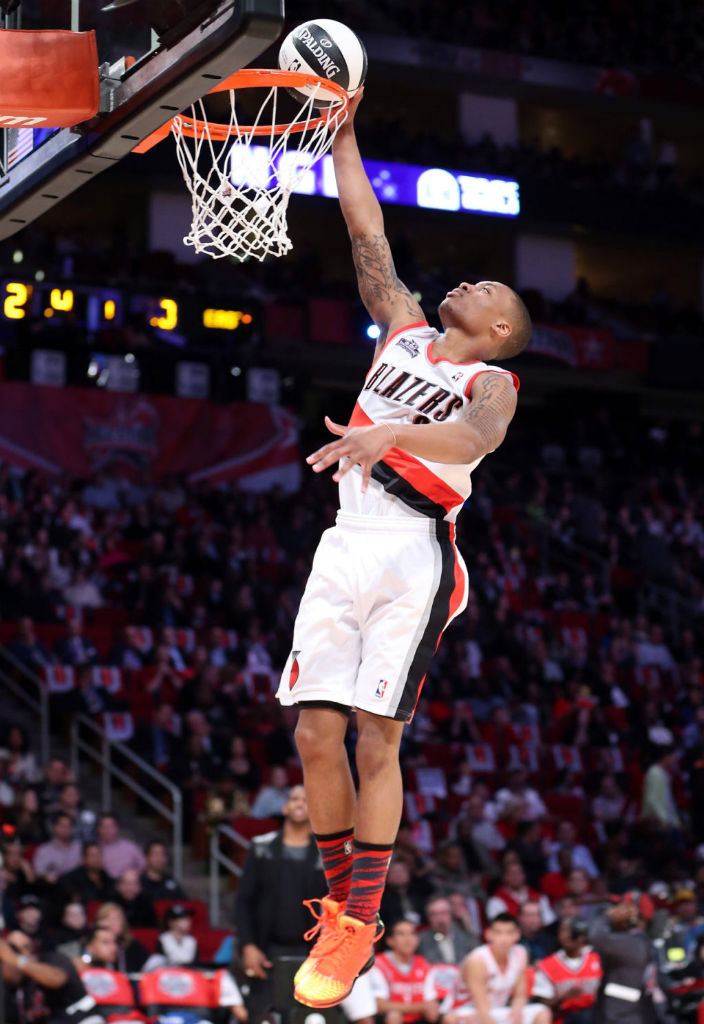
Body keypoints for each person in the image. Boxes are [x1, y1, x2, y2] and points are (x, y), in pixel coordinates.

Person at [275, 88, 530, 1010]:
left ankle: (356, 924)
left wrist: (390, 438)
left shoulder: (493, 381)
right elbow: (364, 228)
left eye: (487, 290)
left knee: (377, 738)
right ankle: (344, 908)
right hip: (347, 540)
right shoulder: (405, 326)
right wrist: (341, 134)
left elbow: (470, 446)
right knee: (312, 733)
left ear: (499, 328)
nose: (466, 284)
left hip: (418, 553)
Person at [234, 784, 375, 1024]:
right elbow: (244, 900)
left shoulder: (326, 853)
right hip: (267, 948)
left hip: (314, 951)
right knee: (264, 1016)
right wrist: (247, 945)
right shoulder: (261, 847)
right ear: (285, 807)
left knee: (313, 1017)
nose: (300, 803)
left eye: (306, 800)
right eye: (295, 799)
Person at [448, 914, 551, 1024]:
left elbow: (520, 994)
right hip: (469, 1010)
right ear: (488, 934)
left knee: (542, 1012)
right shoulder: (477, 960)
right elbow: (482, 1008)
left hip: (496, 1011)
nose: (504, 939)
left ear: (517, 935)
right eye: (498, 933)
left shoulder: (520, 953)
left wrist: (517, 1011)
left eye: (509, 933)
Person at [0, 930, 103, 1024]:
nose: (23, 953)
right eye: (13, 949)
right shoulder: (10, 987)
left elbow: (57, 979)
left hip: (81, 1018)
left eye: (26, 947)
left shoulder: (51, 958)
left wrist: (15, 959)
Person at [588, 901, 658, 1024]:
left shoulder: (631, 943)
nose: (618, 913)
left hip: (622, 1015)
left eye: (623, 911)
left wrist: (608, 917)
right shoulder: (641, 942)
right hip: (631, 1013)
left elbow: (595, 936)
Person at [532, 918, 602, 1024]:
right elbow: (541, 1005)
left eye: (572, 931)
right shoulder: (547, 965)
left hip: (595, 1015)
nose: (567, 935)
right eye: (564, 930)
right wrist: (563, 998)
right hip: (563, 1017)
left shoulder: (598, 959)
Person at [368, 920, 439, 1024]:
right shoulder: (379, 964)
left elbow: (432, 1004)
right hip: (390, 1018)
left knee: (447, 1017)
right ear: (390, 940)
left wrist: (428, 1007)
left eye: (412, 933)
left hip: (419, 1019)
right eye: (401, 934)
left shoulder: (423, 963)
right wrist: (421, 1007)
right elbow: (380, 1005)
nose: (408, 939)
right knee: (394, 1016)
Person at [417, 896, 477, 965]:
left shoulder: (465, 937)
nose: (439, 918)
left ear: (451, 914)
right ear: (428, 918)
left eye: (443, 913)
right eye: (434, 914)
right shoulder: (420, 941)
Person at [34, 813, 82, 881]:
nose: (66, 829)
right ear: (53, 827)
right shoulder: (44, 850)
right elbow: (39, 872)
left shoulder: (79, 847)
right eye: (62, 826)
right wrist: (46, 876)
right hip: (55, 886)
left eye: (69, 826)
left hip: (77, 885)